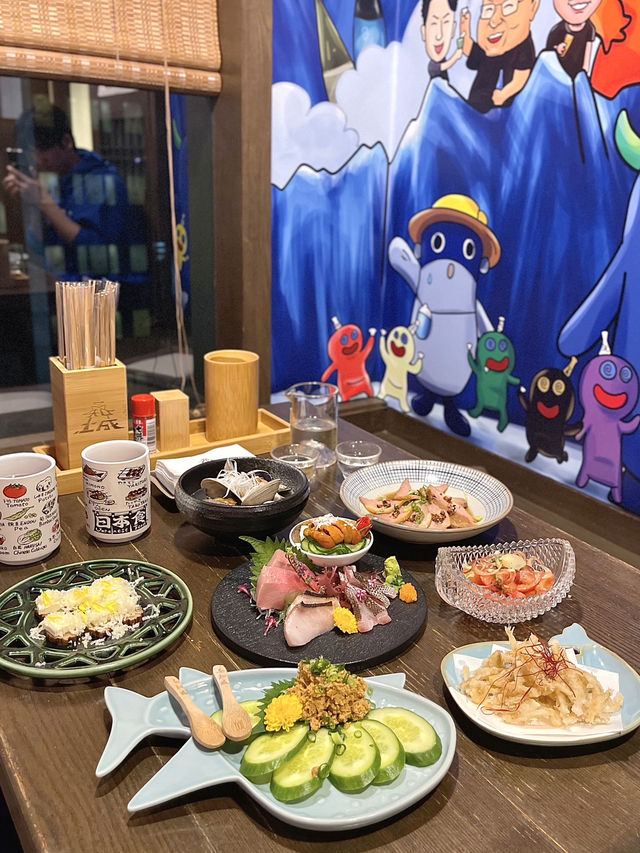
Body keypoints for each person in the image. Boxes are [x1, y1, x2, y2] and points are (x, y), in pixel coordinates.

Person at [2, 98, 134, 282]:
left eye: (41, 152)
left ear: (66, 142)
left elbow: (96, 253)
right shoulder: (55, 181)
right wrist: (34, 203)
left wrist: (45, 203)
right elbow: (38, 247)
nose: (37, 160)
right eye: (30, 153)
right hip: (59, 285)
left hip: (96, 291)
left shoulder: (105, 181)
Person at [459, 0, 540, 113]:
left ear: (533, 7)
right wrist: (464, 29)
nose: (494, 21)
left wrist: (503, 94)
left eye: (508, 7)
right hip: (476, 109)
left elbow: (520, 79)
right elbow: (468, 48)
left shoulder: (522, 49)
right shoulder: (489, 49)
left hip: (505, 114)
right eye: (488, 10)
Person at [546, 0, 602, 79]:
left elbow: (587, 54)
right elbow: (548, 56)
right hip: (560, 74)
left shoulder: (589, 28)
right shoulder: (557, 30)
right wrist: (557, 49)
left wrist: (584, 73)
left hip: (578, 74)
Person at [422, 0, 463, 83]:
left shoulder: (443, 59)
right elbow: (443, 66)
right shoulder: (432, 65)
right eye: (434, 24)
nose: (439, 35)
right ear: (424, 32)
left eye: (446, 22)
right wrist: (456, 56)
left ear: (453, 29)